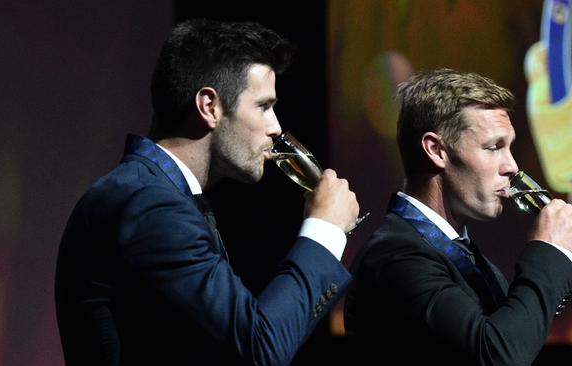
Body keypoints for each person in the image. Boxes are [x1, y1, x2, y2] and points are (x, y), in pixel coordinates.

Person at [55, 19, 359, 365]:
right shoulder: (150, 205)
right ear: (209, 106)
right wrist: (324, 230)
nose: (276, 128)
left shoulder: (157, 195)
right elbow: (261, 347)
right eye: (263, 106)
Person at [343, 68, 572, 365]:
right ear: (437, 150)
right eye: (493, 147)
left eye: (509, 147)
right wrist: (549, 254)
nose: (512, 166)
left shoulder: (459, 253)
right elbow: (497, 355)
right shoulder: (396, 256)